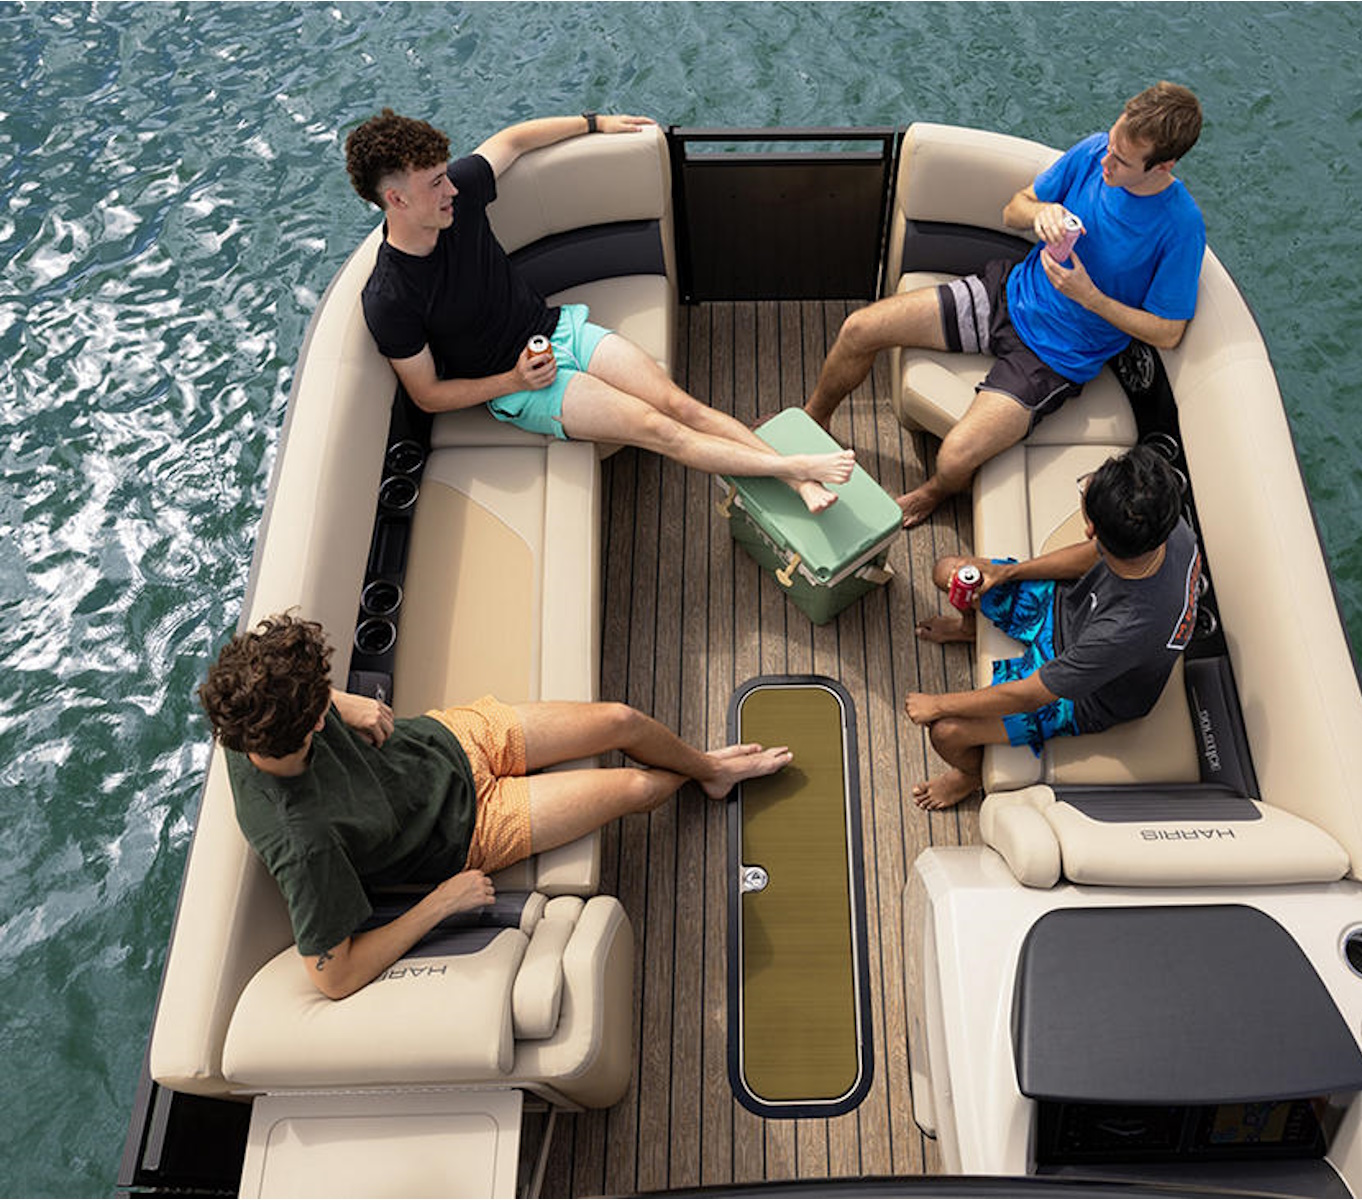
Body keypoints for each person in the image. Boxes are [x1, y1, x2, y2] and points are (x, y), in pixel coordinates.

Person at [199, 612, 793, 999]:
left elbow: (286, 685)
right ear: (309, 724)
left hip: (451, 739)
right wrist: (439, 904)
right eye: (320, 704)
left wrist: (343, 700)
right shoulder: (302, 842)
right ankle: (704, 775)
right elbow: (335, 975)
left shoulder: (246, 717)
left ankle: (710, 770)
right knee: (636, 790)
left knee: (620, 719)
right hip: (471, 827)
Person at [345, 109, 853, 513]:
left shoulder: (461, 196)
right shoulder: (390, 297)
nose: (452, 188)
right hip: (521, 386)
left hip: (556, 328)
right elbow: (428, 395)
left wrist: (596, 123)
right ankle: (796, 467)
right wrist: (514, 381)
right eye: (436, 183)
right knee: (659, 429)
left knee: (680, 405)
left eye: (446, 176)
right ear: (396, 199)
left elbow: (513, 140)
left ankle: (797, 478)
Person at [803, 82, 1205, 527]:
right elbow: (1014, 209)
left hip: (1053, 358)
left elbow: (1169, 331)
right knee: (859, 329)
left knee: (954, 457)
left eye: (1122, 161)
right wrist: (1039, 213)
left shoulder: (1180, 226)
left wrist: (1090, 299)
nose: (1105, 162)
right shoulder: (1093, 152)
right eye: (1110, 146)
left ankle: (934, 493)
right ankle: (811, 421)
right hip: (1006, 295)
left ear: (1163, 165)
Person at [903, 445, 1201, 810]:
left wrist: (937, 704)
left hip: (1087, 696)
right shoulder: (1162, 524)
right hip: (1069, 608)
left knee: (946, 732)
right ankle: (969, 630)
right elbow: (1091, 556)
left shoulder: (1126, 629)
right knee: (952, 572)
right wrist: (1007, 572)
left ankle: (969, 776)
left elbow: (1032, 694)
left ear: (1091, 528)